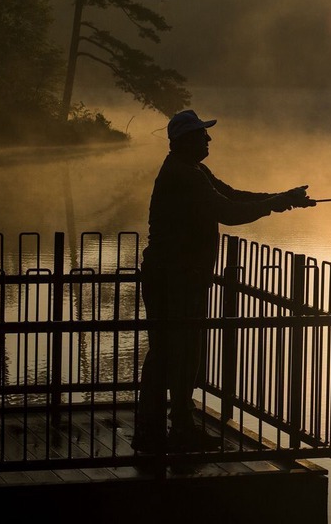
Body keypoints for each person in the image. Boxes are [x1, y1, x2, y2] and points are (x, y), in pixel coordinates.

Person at [133, 109, 316, 454]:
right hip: (176, 279)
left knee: (165, 351)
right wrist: (276, 203)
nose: (208, 139)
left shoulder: (192, 170)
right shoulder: (184, 175)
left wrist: (282, 198)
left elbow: (231, 195)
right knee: (181, 352)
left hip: (172, 275)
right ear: (184, 140)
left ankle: (153, 426)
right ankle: (177, 429)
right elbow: (228, 213)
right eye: (202, 135)